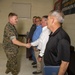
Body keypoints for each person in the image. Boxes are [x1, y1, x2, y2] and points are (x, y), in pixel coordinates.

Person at [44, 10, 71, 75]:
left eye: (47, 19)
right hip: (49, 68)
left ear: (52, 20)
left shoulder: (62, 38)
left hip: (55, 71)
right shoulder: (54, 33)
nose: (46, 21)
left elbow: (65, 63)